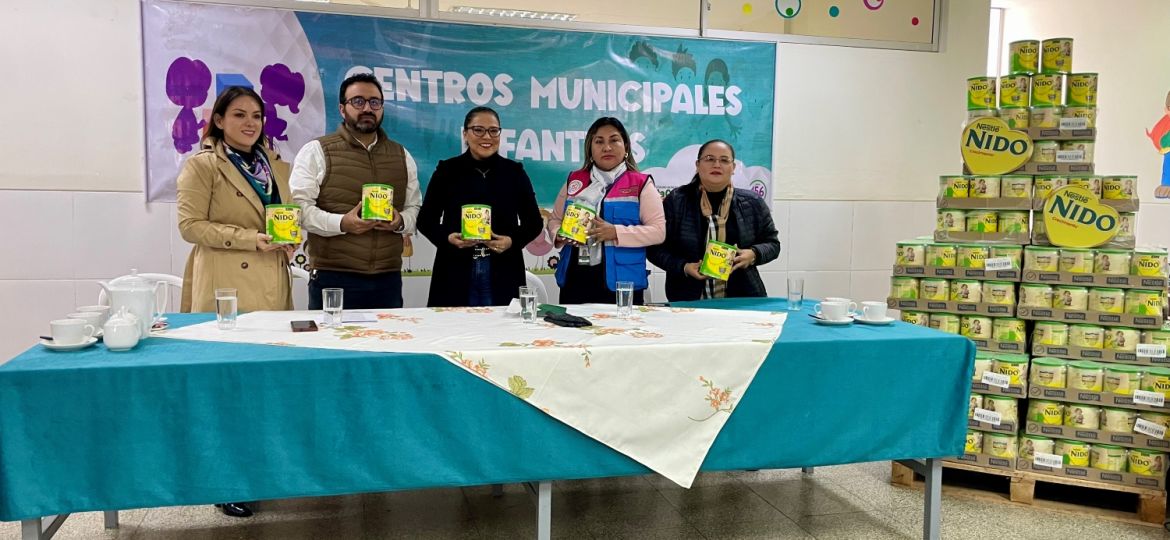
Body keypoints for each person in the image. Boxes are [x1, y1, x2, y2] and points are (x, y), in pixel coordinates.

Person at [176, 86, 296, 518]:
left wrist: (288, 240)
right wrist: (251, 240)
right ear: (219, 120)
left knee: (264, 381)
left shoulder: (276, 168)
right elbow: (190, 226)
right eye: (240, 115)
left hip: (272, 283)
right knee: (227, 384)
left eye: (257, 116)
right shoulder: (203, 166)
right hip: (227, 286)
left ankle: (260, 470)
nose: (250, 123)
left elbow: (284, 216)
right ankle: (227, 480)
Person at [290, 73, 421, 309]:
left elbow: (414, 207)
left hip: (387, 278)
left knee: (387, 344)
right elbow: (300, 209)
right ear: (342, 109)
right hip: (333, 276)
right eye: (358, 102)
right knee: (334, 344)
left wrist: (400, 221)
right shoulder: (317, 151)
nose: (367, 108)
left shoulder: (401, 155)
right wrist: (342, 223)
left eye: (375, 102)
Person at [417, 107, 543, 306]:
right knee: (453, 331)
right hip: (455, 269)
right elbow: (425, 220)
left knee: (502, 331)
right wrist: (447, 239)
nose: (487, 136)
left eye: (494, 131)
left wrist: (511, 241)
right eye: (478, 130)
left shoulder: (514, 172)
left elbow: (534, 222)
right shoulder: (447, 171)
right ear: (465, 134)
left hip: (503, 269)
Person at [547, 117, 665, 304]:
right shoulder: (574, 181)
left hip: (622, 284)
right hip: (575, 280)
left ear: (625, 147)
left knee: (620, 333)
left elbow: (658, 232)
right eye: (599, 141)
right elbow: (554, 220)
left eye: (614, 140)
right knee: (572, 333)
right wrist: (559, 234)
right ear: (590, 148)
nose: (607, 147)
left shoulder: (641, 184)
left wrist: (615, 232)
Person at [648, 140, 780, 301]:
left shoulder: (752, 202)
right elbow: (655, 249)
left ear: (733, 168)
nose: (717, 165)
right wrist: (685, 267)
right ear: (698, 165)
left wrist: (753, 254)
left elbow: (773, 244)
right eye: (710, 159)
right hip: (687, 297)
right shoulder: (677, 201)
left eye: (724, 160)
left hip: (743, 296)